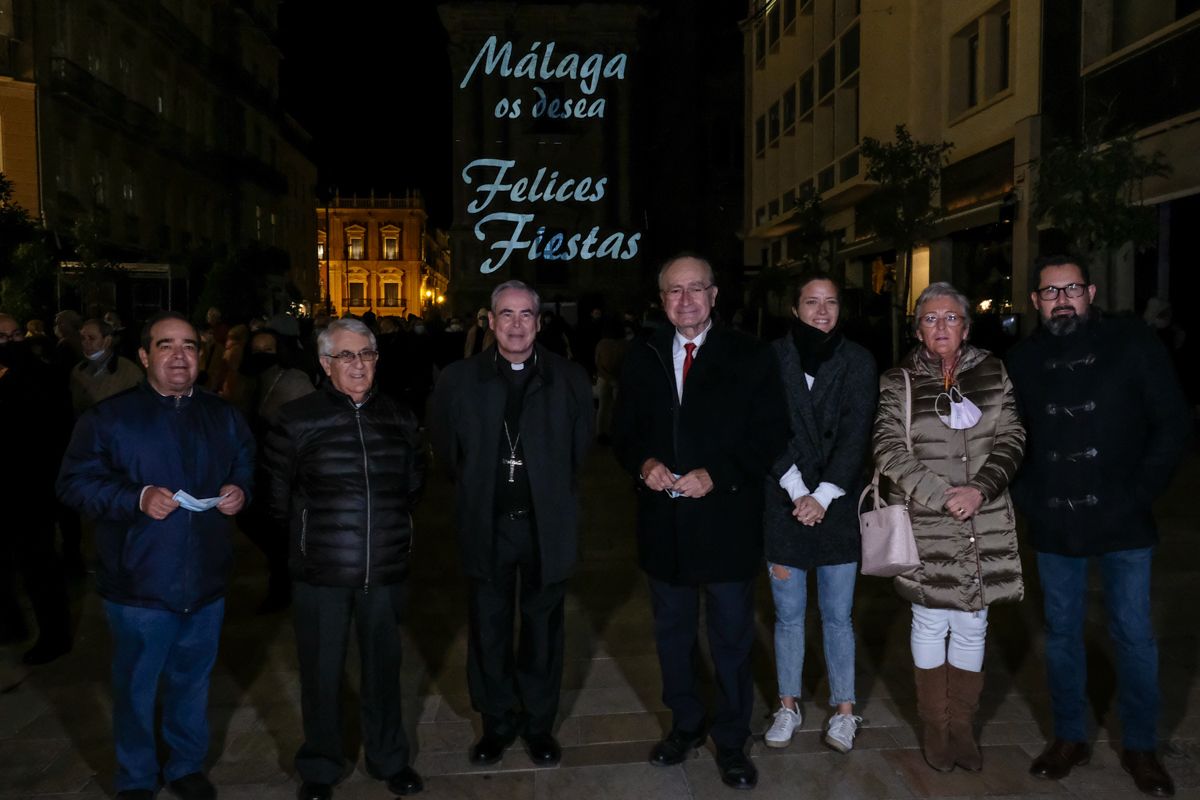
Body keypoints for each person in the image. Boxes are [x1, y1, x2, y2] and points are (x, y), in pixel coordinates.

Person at [1008, 256, 1192, 798]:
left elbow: (1172, 423)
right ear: (1036, 302)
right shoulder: (1022, 359)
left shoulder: (1132, 342)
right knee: (1062, 634)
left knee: (1133, 635)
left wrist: (1138, 494)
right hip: (1055, 521)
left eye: (1071, 289)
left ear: (1090, 293)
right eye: (1050, 292)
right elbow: (1008, 438)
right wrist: (1029, 499)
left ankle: (1140, 746)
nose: (1061, 299)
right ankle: (1070, 737)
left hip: (1123, 520)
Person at [57, 311, 254, 800]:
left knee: (192, 682)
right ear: (144, 356)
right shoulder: (109, 417)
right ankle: (137, 777)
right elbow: (73, 483)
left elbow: (245, 464)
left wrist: (239, 490)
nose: (180, 356)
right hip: (138, 582)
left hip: (205, 579)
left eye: (189, 345)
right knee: (136, 688)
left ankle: (186, 767)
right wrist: (136, 497)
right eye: (166, 345)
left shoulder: (223, 414)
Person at [612, 254, 788, 790]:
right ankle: (685, 724)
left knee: (732, 637)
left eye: (696, 289)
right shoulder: (642, 355)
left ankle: (731, 740)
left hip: (726, 521)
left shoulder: (750, 354)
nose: (685, 300)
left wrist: (718, 475)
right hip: (663, 524)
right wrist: (644, 464)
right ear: (661, 300)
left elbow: (771, 433)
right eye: (674, 291)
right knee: (672, 635)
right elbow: (623, 432)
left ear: (714, 296)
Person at [431, 280, 593, 767]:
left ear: (539, 323)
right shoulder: (458, 380)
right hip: (488, 525)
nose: (517, 324)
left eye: (526, 315)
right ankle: (497, 724)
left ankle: (538, 725)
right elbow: (447, 452)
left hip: (546, 526)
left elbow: (580, 449)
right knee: (489, 628)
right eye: (507, 314)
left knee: (544, 631)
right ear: (490, 321)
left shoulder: (568, 378)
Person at [265, 318, 424, 800]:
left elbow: (413, 486)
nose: (358, 365)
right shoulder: (295, 419)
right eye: (346, 356)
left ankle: (389, 758)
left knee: (384, 670)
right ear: (325, 363)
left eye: (367, 354)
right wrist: (303, 548)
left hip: (384, 568)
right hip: (321, 572)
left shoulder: (400, 416)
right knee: (321, 672)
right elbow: (274, 501)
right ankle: (320, 764)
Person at [872, 282, 1025, 773]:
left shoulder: (994, 372)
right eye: (930, 319)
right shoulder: (898, 381)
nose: (941, 326)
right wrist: (943, 496)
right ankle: (935, 727)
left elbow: (1013, 436)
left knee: (974, 622)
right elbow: (888, 448)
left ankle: (962, 726)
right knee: (930, 620)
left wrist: (979, 489)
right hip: (926, 520)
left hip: (985, 517)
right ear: (918, 329)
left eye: (951, 317)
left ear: (966, 326)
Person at [762, 273, 877, 753]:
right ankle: (787, 705)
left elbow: (856, 435)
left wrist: (823, 495)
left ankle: (844, 711)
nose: (822, 311)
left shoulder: (859, 361)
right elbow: (765, 427)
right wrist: (796, 491)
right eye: (812, 302)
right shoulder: (771, 358)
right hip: (784, 501)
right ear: (795, 309)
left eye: (831, 302)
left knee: (838, 616)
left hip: (837, 504)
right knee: (788, 615)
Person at [0, 313, 72, 664]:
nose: (12, 343)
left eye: (16, 335)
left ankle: (54, 636)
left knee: (38, 565)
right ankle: (10, 625)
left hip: (32, 490)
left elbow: (54, 431)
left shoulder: (40, 376)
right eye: (3, 338)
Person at [233, 328, 314, 612]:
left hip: (284, 468)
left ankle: (283, 584)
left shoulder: (294, 380)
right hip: (253, 464)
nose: (262, 355)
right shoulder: (245, 381)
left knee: (278, 526)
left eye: (269, 349)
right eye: (257, 350)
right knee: (251, 519)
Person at [69, 318, 143, 415]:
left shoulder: (129, 372)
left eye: (91, 338)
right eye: (83, 338)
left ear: (107, 341)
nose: (85, 342)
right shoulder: (78, 370)